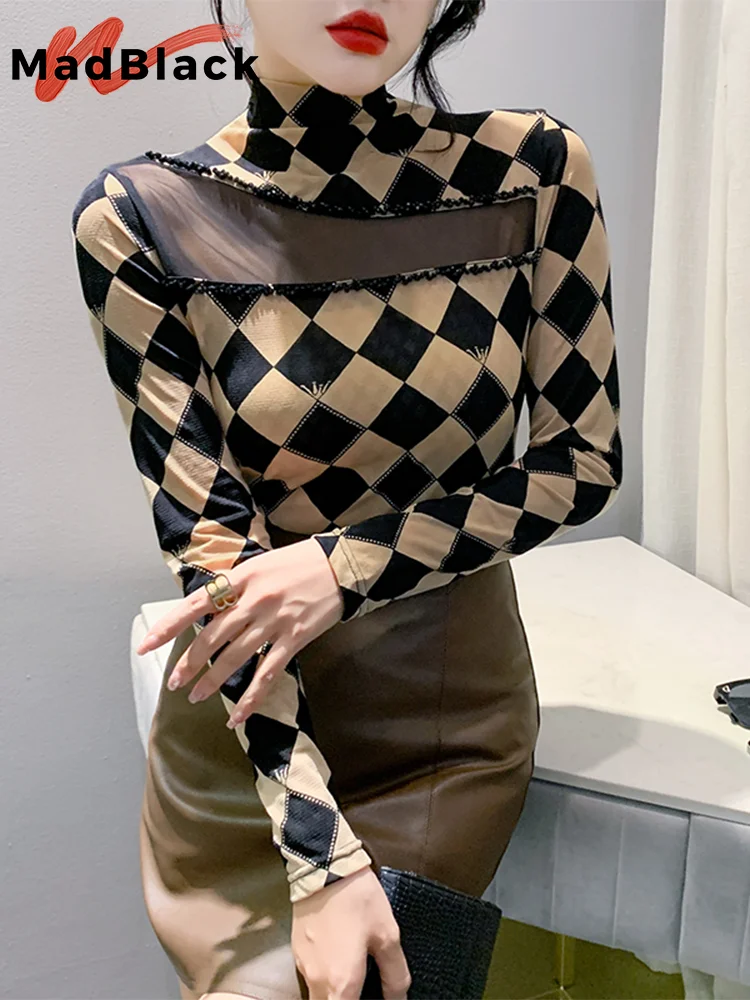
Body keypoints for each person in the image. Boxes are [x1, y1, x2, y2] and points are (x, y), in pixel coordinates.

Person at [70, 0, 623, 997]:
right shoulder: (142, 218)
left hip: (445, 724)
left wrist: (343, 565)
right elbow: (212, 550)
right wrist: (318, 857)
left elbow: (579, 463)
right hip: (252, 742)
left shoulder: (531, 172)